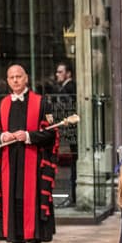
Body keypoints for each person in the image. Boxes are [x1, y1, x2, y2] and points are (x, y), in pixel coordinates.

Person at [0, 64, 58, 243]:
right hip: (9, 162)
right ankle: (16, 239)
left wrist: (28, 136)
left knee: (32, 197)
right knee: (13, 198)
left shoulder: (42, 102)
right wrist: (3, 136)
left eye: (19, 76)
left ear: (26, 78)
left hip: (34, 162)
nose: (16, 80)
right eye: (11, 77)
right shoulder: (2, 104)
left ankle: (36, 238)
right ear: (7, 80)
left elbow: (52, 133)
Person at [54, 62, 78, 208]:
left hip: (73, 131)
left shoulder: (69, 88)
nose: (57, 74)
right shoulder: (66, 88)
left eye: (60, 72)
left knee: (74, 163)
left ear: (68, 74)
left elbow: (67, 110)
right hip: (71, 132)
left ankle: (73, 196)